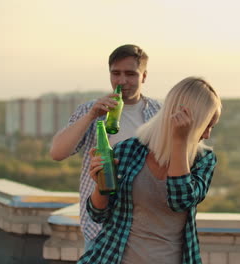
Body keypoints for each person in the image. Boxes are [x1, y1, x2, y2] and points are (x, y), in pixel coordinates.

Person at [77, 77, 222, 264]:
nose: (208, 134)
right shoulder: (128, 150)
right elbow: (98, 215)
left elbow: (180, 201)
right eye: (206, 125)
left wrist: (179, 142)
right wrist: (100, 185)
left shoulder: (203, 160)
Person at [50, 44, 161, 250]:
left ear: (144, 76)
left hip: (144, 225)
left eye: (130, 74)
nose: (122, 81)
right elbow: (57, 152)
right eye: (115, 74)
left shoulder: (158, 113)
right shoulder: (90, 109)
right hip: (100, 227)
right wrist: (92, 115)